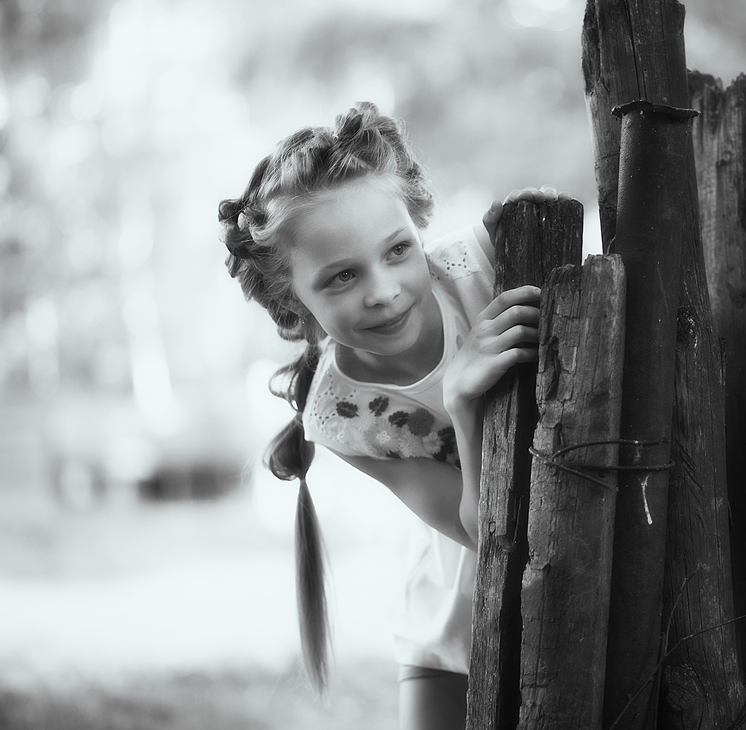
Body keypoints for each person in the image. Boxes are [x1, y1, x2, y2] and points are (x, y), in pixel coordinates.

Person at [218, 102, 560, 730]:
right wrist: (462, 402)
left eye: (398, 250)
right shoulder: (340, 417)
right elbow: (486, 538)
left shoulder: (487, 267)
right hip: (461, 606)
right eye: (342, 277)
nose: (382, 289)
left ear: (418, 227)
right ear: (291, 304)